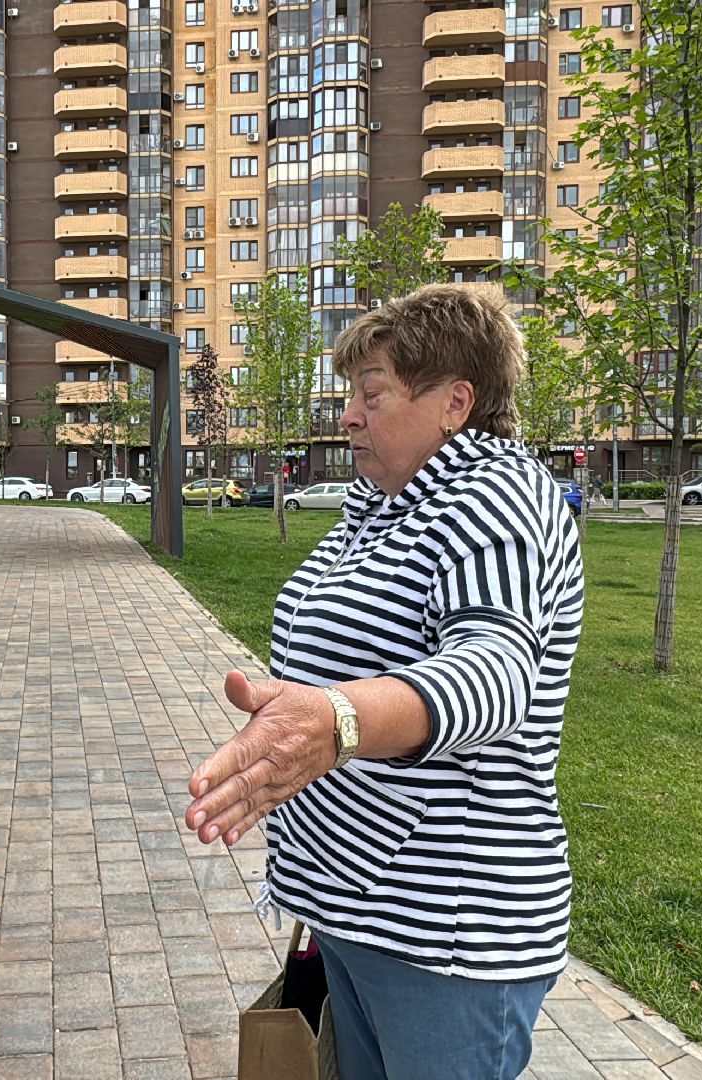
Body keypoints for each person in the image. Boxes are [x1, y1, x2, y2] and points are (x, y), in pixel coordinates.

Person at [181, 284, 586, 1080]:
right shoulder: (383, 507)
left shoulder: (494, 497)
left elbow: (497, 669)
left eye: (372, 395)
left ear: (455, 403)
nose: (349, 417)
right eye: (350, 396)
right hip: (363, 909)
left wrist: (337, 720)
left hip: (446, 932)